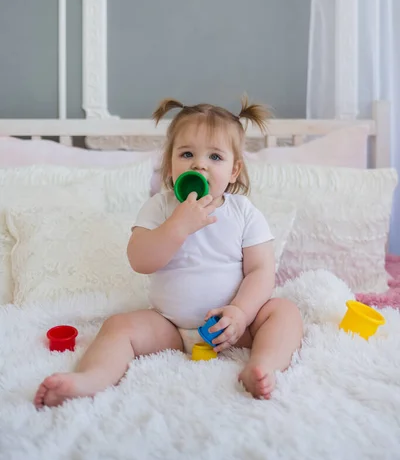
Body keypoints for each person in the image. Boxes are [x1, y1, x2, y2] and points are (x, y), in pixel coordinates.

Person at [34, 96, 303, 408]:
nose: (199, 164)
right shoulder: (159, 207)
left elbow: (261, 270)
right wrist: (177, 226)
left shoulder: (244, 212)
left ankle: (262, 366)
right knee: (118, 327)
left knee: (285, 312)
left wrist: (241, 314)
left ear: (234, 170)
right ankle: (91, 378)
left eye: (215, 157)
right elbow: (140, 261)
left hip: (232, 328)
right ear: (170, 163)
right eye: (187, 153)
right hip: (170, 327)